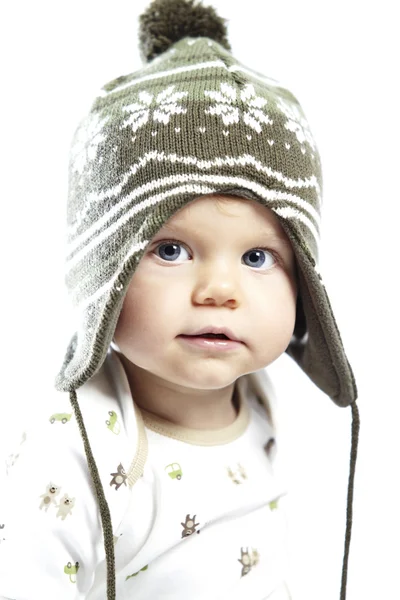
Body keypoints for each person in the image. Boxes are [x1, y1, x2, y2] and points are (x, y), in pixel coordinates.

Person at [0, 0, 360, 598]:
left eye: (257, 258)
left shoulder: (260, 401)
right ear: (102, 274)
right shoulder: (74, 449)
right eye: (170, 250)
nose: (219, 291)